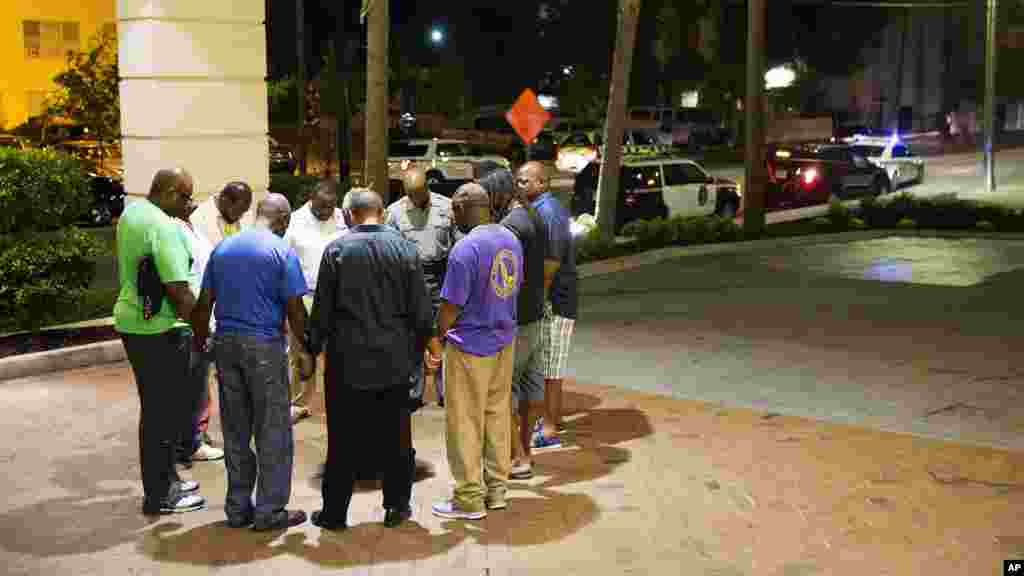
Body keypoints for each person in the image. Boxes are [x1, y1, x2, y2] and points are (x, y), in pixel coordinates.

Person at [305, 188, 433, 531]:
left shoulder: (337, 250)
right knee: (397, 438)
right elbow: (422, 313)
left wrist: (311, 348)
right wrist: (422, 352)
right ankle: (397, 507)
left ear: (349, 215)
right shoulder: (405, 249)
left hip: (347, 363)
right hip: (394, 362)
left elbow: (323, 311)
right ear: (382, 213)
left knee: (343, 441)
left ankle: (335, 513)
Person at [193, 193, 313, 531]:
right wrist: (308, 349)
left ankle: (237, 508)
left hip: (226, 347)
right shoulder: (281, 251)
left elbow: (203, 306)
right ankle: (270, 511)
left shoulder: (224, 248)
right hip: (263, 348)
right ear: (284, 220)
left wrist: (201, 343)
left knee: (235, 430)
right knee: (273, 430)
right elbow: (295, 311)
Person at [115, 168, 206, 515]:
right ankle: (160, 495)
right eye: (185, 197)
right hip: (156, 329)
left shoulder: (133, 212)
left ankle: (167, 478)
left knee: (160, 411)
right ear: (168, 192)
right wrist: (204, 333)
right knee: (161, 415)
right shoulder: (164, 227)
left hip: (135, 319)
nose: (188, 205)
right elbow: (180, 292)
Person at [432, 182, 522, 520]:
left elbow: (450, 305)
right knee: (496, 415)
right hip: (503, 340)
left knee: (465, 422)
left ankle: (468, 498)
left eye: (453, 210)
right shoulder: (511, 239)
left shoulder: (465, 250)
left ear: (461, 208)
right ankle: (497, 490)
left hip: (470, 345)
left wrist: (436, 338)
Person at [478, 167, 554, 481]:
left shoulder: (509, 226)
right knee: (530, 388)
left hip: (516, 319)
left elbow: (503, 277)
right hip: (536, 313)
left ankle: (518, 456)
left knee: (502, 392)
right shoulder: (534, 216)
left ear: (498, 194)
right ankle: (526, 452)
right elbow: (549, 264)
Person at [185, 181, 256, 463]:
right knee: (200, 376)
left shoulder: (242, 218)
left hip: (235, 309)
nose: (241, 216)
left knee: (224, 375)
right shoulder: (200, 218)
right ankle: (195, 437)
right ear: (225, 199)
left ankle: (202, 433)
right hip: (209, 307)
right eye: (238, 209)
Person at [385, 167, 457, 408]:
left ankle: (446, 391)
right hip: (410, 277)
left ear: (427, 187)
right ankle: (413, 393)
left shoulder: (447, 207)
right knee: (414, 334)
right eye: (411, 195)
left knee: (444, 332)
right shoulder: (394, 213)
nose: (417, 199)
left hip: (442, 274)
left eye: (420, 193)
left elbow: (457, 242)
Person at [517, 162, 577, 449]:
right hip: (555, 297)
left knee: (552, 366)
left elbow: (551, 262)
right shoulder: (544, 209)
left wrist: (537, 298)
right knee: (550, 363)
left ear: (542, 183)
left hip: (556, 300)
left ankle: (550, 429)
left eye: (524, 181)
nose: (519, 185)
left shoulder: (547, 212)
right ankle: (553, 419)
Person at [284, 179, 348, 422]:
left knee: (337, 350)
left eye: (329, 207)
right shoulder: (294, 221)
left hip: (336, 297)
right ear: (311, 199)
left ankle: (338, 397)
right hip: (305, 297)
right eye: (321, 207)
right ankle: (298, 402)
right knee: (300, 351)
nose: (325, 212)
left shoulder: (343, 218)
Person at [175, 206, 225, 466]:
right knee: (193, 384)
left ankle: (195, 436)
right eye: (185, 197)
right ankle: (191, 442)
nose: (191, 202)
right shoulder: (176, 231)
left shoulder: (194, 230)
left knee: (199, 381)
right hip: (192, 319)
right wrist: (199, 324)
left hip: (204, 316)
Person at [190, 181, 255, 246]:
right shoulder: (198, 218)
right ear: (224, 200)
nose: (241, 216)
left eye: (244, 211)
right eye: (238, 211)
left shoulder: (245, 213)